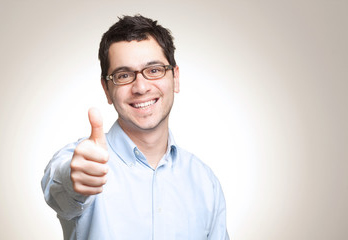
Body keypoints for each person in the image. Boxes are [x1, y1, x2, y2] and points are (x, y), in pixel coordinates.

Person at [41, 15, 229, 240]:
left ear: (175, 78)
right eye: (124, 75)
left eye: (154, 70)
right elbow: (60, 186)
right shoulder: (84, 161)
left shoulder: (205, 181)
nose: (140, 87)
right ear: (106, 89)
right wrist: (75, 181)